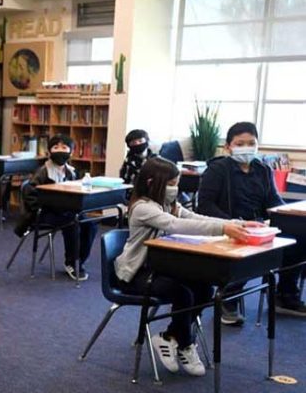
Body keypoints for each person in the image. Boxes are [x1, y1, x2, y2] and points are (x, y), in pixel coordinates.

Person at [114, 157, 257, 376]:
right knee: (183, 294)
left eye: (176, 183)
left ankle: (170, 338)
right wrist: (223, 229)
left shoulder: (168, 204)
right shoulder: (143, 207)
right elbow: (176, 224)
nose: (175, 189)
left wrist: (236, 224)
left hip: (163, 269)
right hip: (138, 273)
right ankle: (186, 342)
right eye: (171, 184)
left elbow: (194, 217)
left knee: (204, 288)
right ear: (153, 182)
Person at [197, 121, 306, 322]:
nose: (246, 147)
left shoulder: (262, 169)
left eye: (251, 142)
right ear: (228, 146)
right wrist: (234, 224)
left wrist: (287, 214)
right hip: (229, 228)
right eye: (240, 143)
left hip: (260, 228)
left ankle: (285, 295)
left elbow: (274, 201)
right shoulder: (218, 169)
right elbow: (204, 205)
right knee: (253, 252)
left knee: (299, 239)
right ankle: (228, 299)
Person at [16, 134, 98, 281]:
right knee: (73, 223)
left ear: (71, 152)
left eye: (64, 147)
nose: (60, 150)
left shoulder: (71, 172)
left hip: (67, 210)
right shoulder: (42, 172)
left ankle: (80, 260)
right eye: (55, 147)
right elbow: (30, 195)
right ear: (49, 152)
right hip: (45, 213)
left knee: (90, 225)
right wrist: (46, 205)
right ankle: (71, 262)